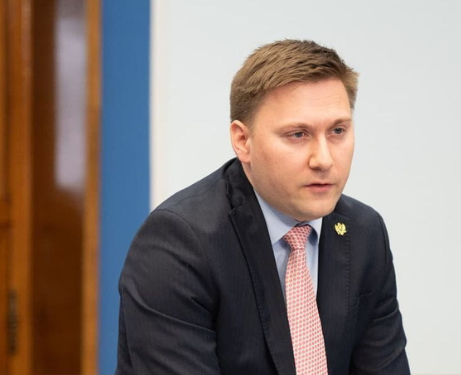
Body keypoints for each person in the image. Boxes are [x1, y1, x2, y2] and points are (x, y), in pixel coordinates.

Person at [116, 39, 410, 375]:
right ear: (243, 140)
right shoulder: (179, 243)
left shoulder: (364, 233)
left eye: (338, 131)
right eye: (298, 134)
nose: (324, 159)